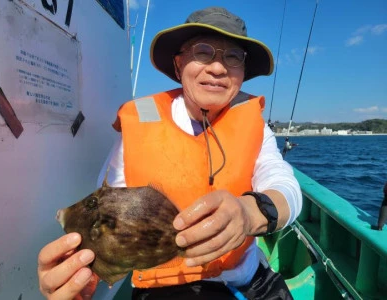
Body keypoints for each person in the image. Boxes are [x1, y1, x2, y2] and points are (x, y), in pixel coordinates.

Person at [38, 6, 302, 300]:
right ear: (178, 65)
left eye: (233, 56)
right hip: (163, 286)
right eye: (203, 52)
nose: (218, 68)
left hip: (245, 280)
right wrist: (87, 273)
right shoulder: (138, 127)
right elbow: (109, 214)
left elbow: (285, 186)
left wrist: (249, 213)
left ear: (242, 72)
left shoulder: (255, 126)